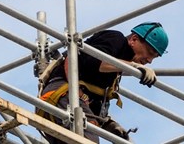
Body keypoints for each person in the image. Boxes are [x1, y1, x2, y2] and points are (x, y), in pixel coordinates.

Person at [37, 22, 168, 143]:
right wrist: (134, 67)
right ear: (134, 39)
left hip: (64, 101)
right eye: (150, 52)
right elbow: (95, 62)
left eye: (154, 57)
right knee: (88, 141)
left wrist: (108, 124)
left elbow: (93, 103)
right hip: (61, 94)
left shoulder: (115, 70)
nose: (150, 60)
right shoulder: (116, 39)